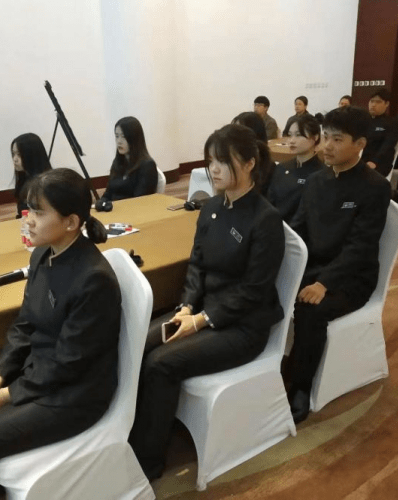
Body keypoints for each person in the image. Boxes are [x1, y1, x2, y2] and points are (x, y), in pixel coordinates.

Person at [0, 168, 121, 500]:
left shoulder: (93, 278)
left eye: (39, 212)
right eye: (29, 209)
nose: (27, 219)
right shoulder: (43, 254)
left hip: (73, 398)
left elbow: (69, 364)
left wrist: (4, 396)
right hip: (36, 377)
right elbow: (24, 326)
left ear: (71, 222)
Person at [129, 124, 285, 481]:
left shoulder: (265, 219)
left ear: (249, 163)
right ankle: (134, 432)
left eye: (222, 162)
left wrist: (201, 320)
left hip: (244, 326)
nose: (213, 169)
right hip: (203, 312)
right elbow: (197, 265)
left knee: (160, 363)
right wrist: (186, 306)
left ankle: (147, 461)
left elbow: (253, 291)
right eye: (210, 161)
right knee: (138, 343)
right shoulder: (212, 207)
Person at [287, 106, 391, 424]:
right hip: (314, 267)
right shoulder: (316, 182)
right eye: (326, 137)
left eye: (337, 139)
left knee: (310, 309)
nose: (327, 146)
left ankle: (300, 386)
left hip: (352, 277)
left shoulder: (374, 186)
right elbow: (298, 230)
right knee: (264, 286)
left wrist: (325, 282)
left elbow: (361, 247)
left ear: (360, 144)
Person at [267, 114, 326, 223]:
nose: (292, 141)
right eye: (290, 135)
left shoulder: (322, 174)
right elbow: (270, 201)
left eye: (298, 135)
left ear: (315, 137)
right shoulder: (281, 167)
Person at [99, 116, 158, 205]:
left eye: (123, 136)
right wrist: (102, 203)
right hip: (115, 210)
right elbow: (108, 194)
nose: (119, 141)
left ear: (135, 138)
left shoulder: (147, 165)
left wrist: (114, 206)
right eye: (117, 136)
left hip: (134, 211)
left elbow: (140, 201)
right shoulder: (118, 162)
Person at [11, 133, 52, 218]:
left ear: (32, 155)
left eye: (19, 154)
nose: (15, 159)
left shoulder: (44, 185)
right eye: (13, 154)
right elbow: (23, 213)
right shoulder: (24, 179)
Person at [362, 88, 398, 177]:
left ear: (387, 104)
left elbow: (388, 145)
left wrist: (375, 161)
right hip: (361, 159)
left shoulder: (392, 123)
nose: (373, 105)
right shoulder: (362, 121)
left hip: (380, 162)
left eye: (378, 102)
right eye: (372, 101)